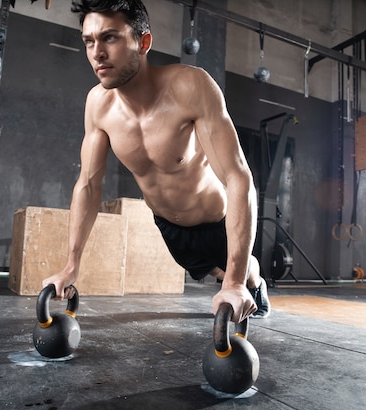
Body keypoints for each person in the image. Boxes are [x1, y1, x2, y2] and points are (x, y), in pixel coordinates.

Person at [42, 0, 270, 322]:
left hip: (217, 222)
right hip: (167, 226)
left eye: (110, 38)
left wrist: (235, 283)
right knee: (212, 271)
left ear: (143, 42)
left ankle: (254, 281)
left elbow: (238, 178)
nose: (97, 53)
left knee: (237, 274)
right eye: (89, 41)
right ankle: (230, 274)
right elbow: (89, 184)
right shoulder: (98, 105)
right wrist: (71, 266)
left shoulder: (190, 87)